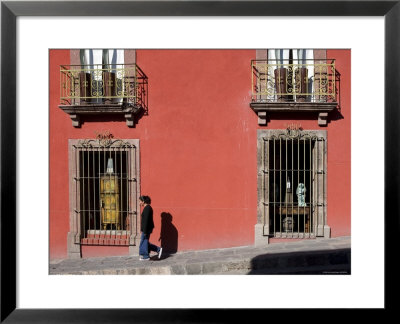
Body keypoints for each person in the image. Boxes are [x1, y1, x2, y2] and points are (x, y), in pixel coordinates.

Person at [139, 195, 162, 261]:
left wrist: (145, 231)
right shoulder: (147, 208)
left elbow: (146, 221)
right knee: (145, 242)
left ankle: (146, 256)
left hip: (146, 229)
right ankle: (158, 249)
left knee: (144, 241)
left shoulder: (147, 208)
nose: (139, 203)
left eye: (140, 201)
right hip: (146, 228)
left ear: (143, 201)